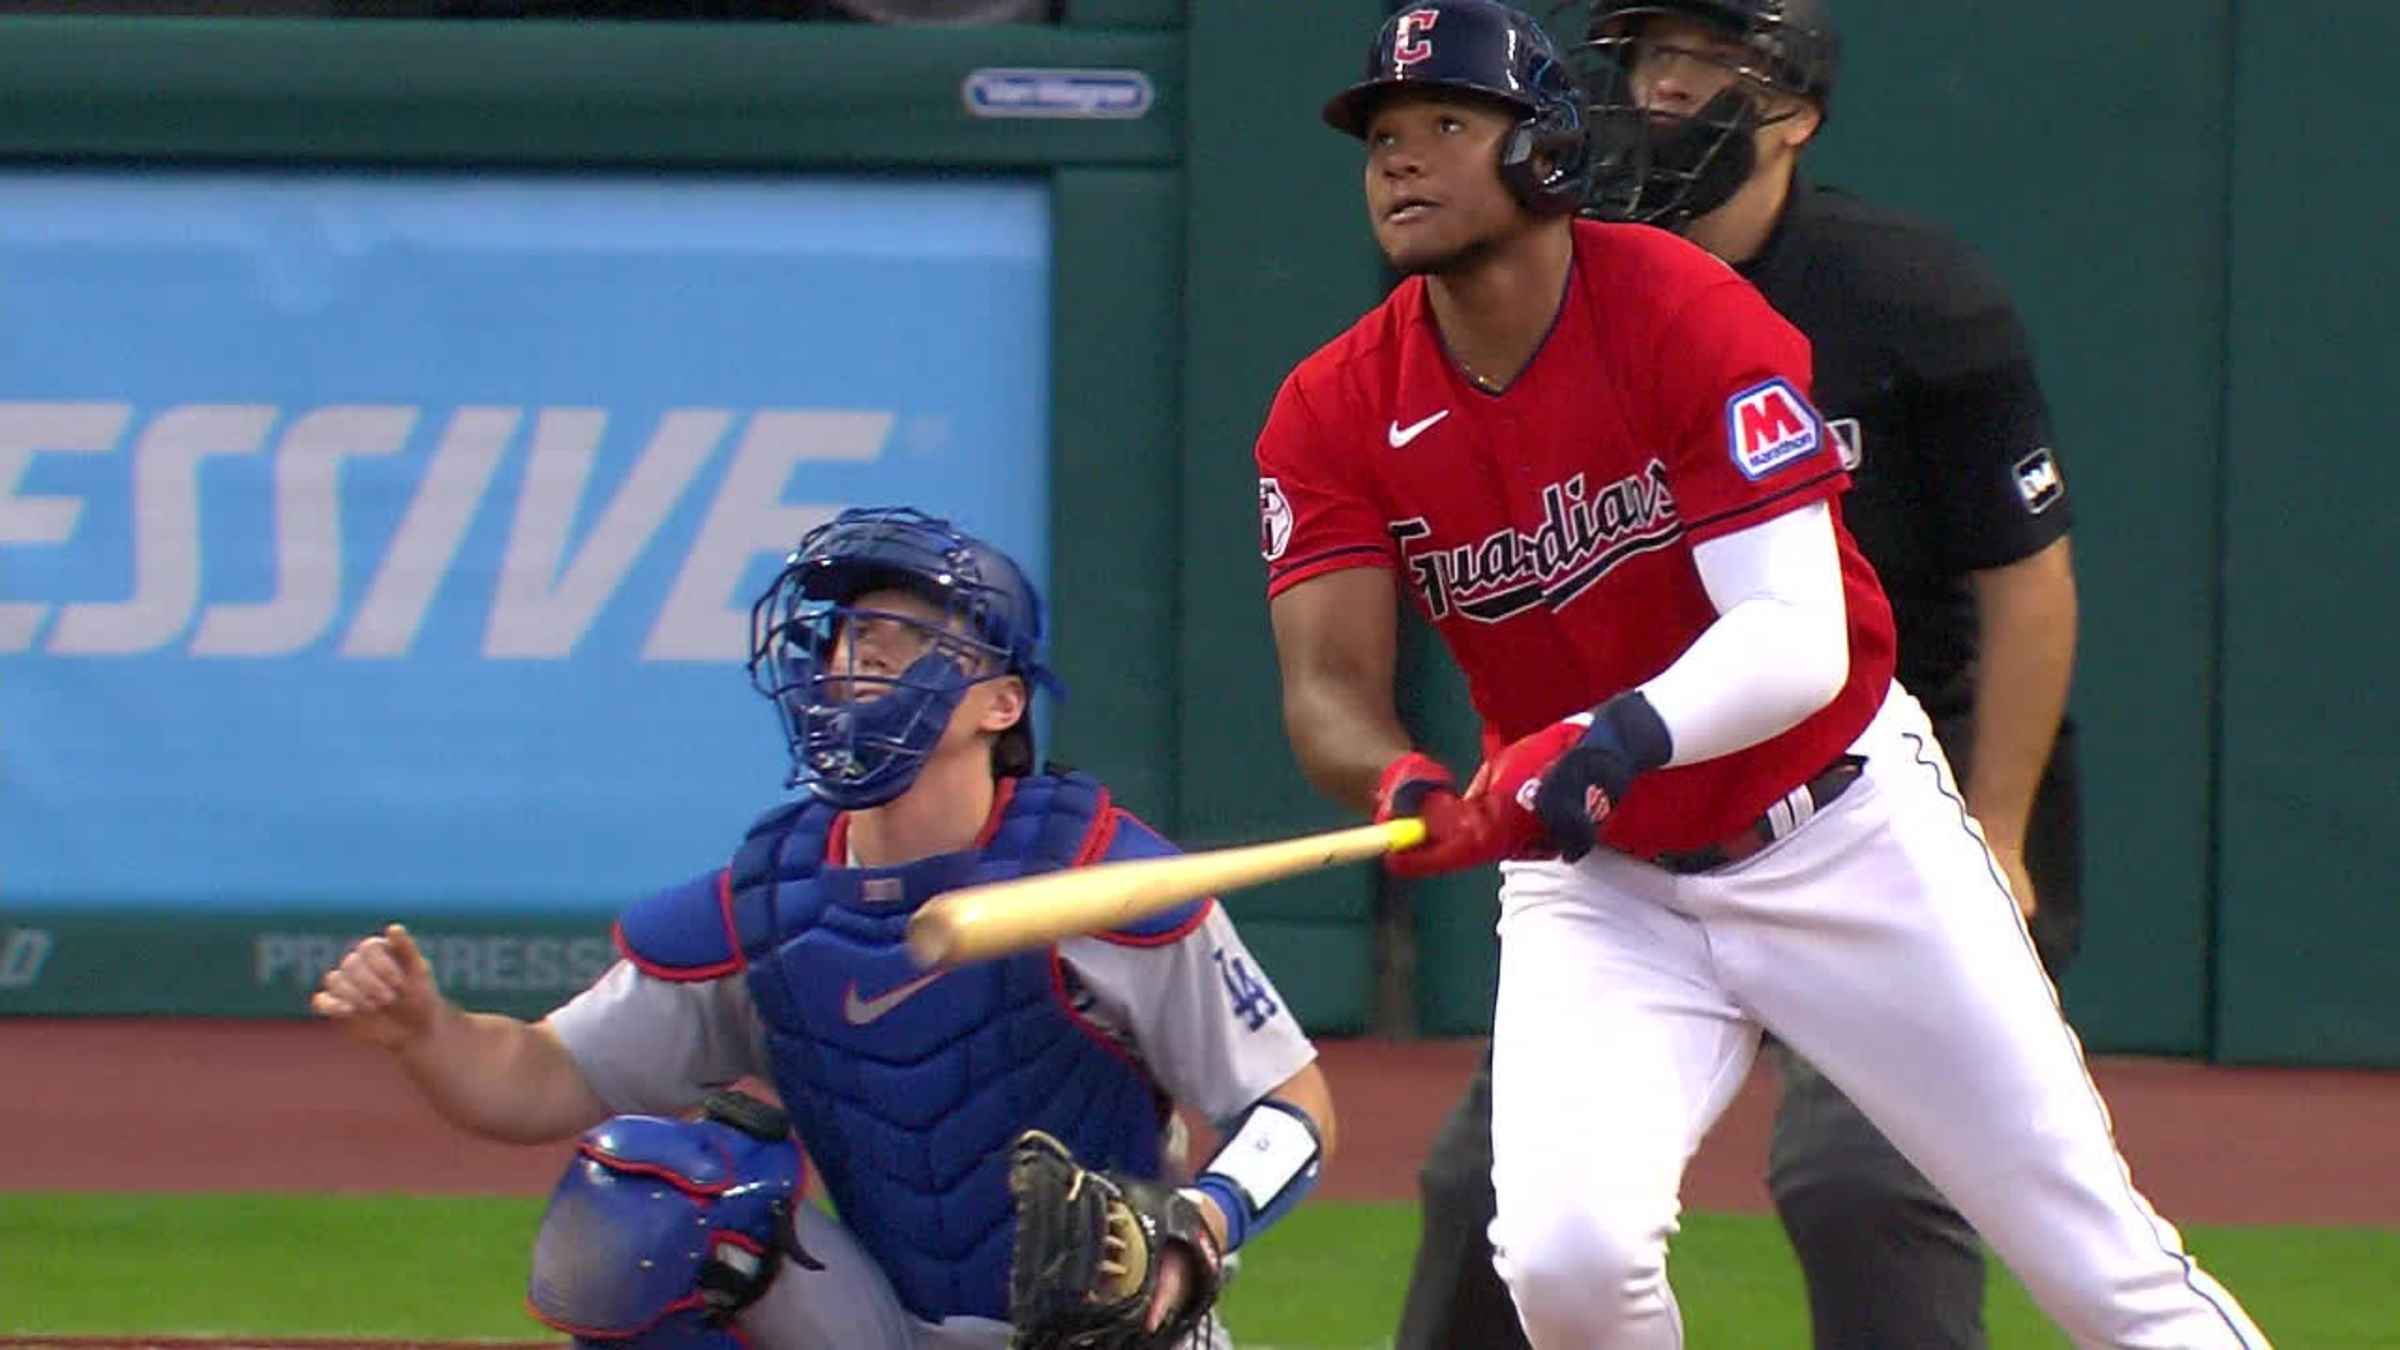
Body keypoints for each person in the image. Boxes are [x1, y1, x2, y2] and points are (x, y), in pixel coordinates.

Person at [1254, 3, 2267, 1346]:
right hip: (1606, 884)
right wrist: (1401, 777)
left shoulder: (1678, 306)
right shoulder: (1333, 402)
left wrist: (1608, 738)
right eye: (1382, 133)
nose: (1402, 158)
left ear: (1546, 152)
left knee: (2093, 1262)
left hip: (1839, 827)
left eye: (1448, 122)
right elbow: (1327, 687)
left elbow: (1798, 635)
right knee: (1562, 1257)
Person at [1390, 2, 2085, 1345]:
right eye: (1652, 60)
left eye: (1707, 65)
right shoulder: (1543, 286)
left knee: (1862, 1184)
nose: (1665, 92)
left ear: (1796, 110)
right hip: (1635, 817)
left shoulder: (1911, 299)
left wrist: (1996, 823)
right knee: (1492, 1193)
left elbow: (2027, 578)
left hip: (1868, 798)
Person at [312, 506, 1335, 1350]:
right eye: (849, 639)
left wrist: (1196, 1230)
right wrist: (425, 1030)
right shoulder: (771, 904)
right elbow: (536, 1078)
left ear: (1001, 702)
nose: (857, 662)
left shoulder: (1100, 883)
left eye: (901, 641)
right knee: (648, 1196)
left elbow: (1293, 1106)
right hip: (886, 1323)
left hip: (1105, 1333)